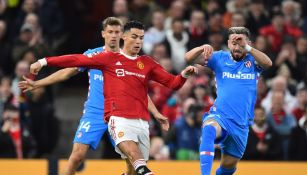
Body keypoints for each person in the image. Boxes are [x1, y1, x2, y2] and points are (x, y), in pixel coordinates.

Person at [29, 20, 197, 175]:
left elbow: (140, 91)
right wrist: (42, 68)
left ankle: (139, 168)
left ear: (121, 35)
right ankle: (143, 169)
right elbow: (70, 66)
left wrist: (156, 110)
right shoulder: (100, 56)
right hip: (98, 113)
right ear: (104, 33)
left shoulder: (142, 62)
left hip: (129, 113)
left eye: (117, 32)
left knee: (131, 166)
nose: (114, 35)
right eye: (111, 32)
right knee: (78, 156)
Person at [185, 26, 272, 175]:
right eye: (234, 42)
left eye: (241, 42)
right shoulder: (219, 58)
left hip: (241, 123)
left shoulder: (254, 60)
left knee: (228, 168)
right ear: (228, 43)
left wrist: (248, 48)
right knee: (209, 129)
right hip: (221, 115)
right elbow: (189, 58)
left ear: (248, 42)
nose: (237, 46)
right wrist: (202, 48)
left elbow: (268, 63)